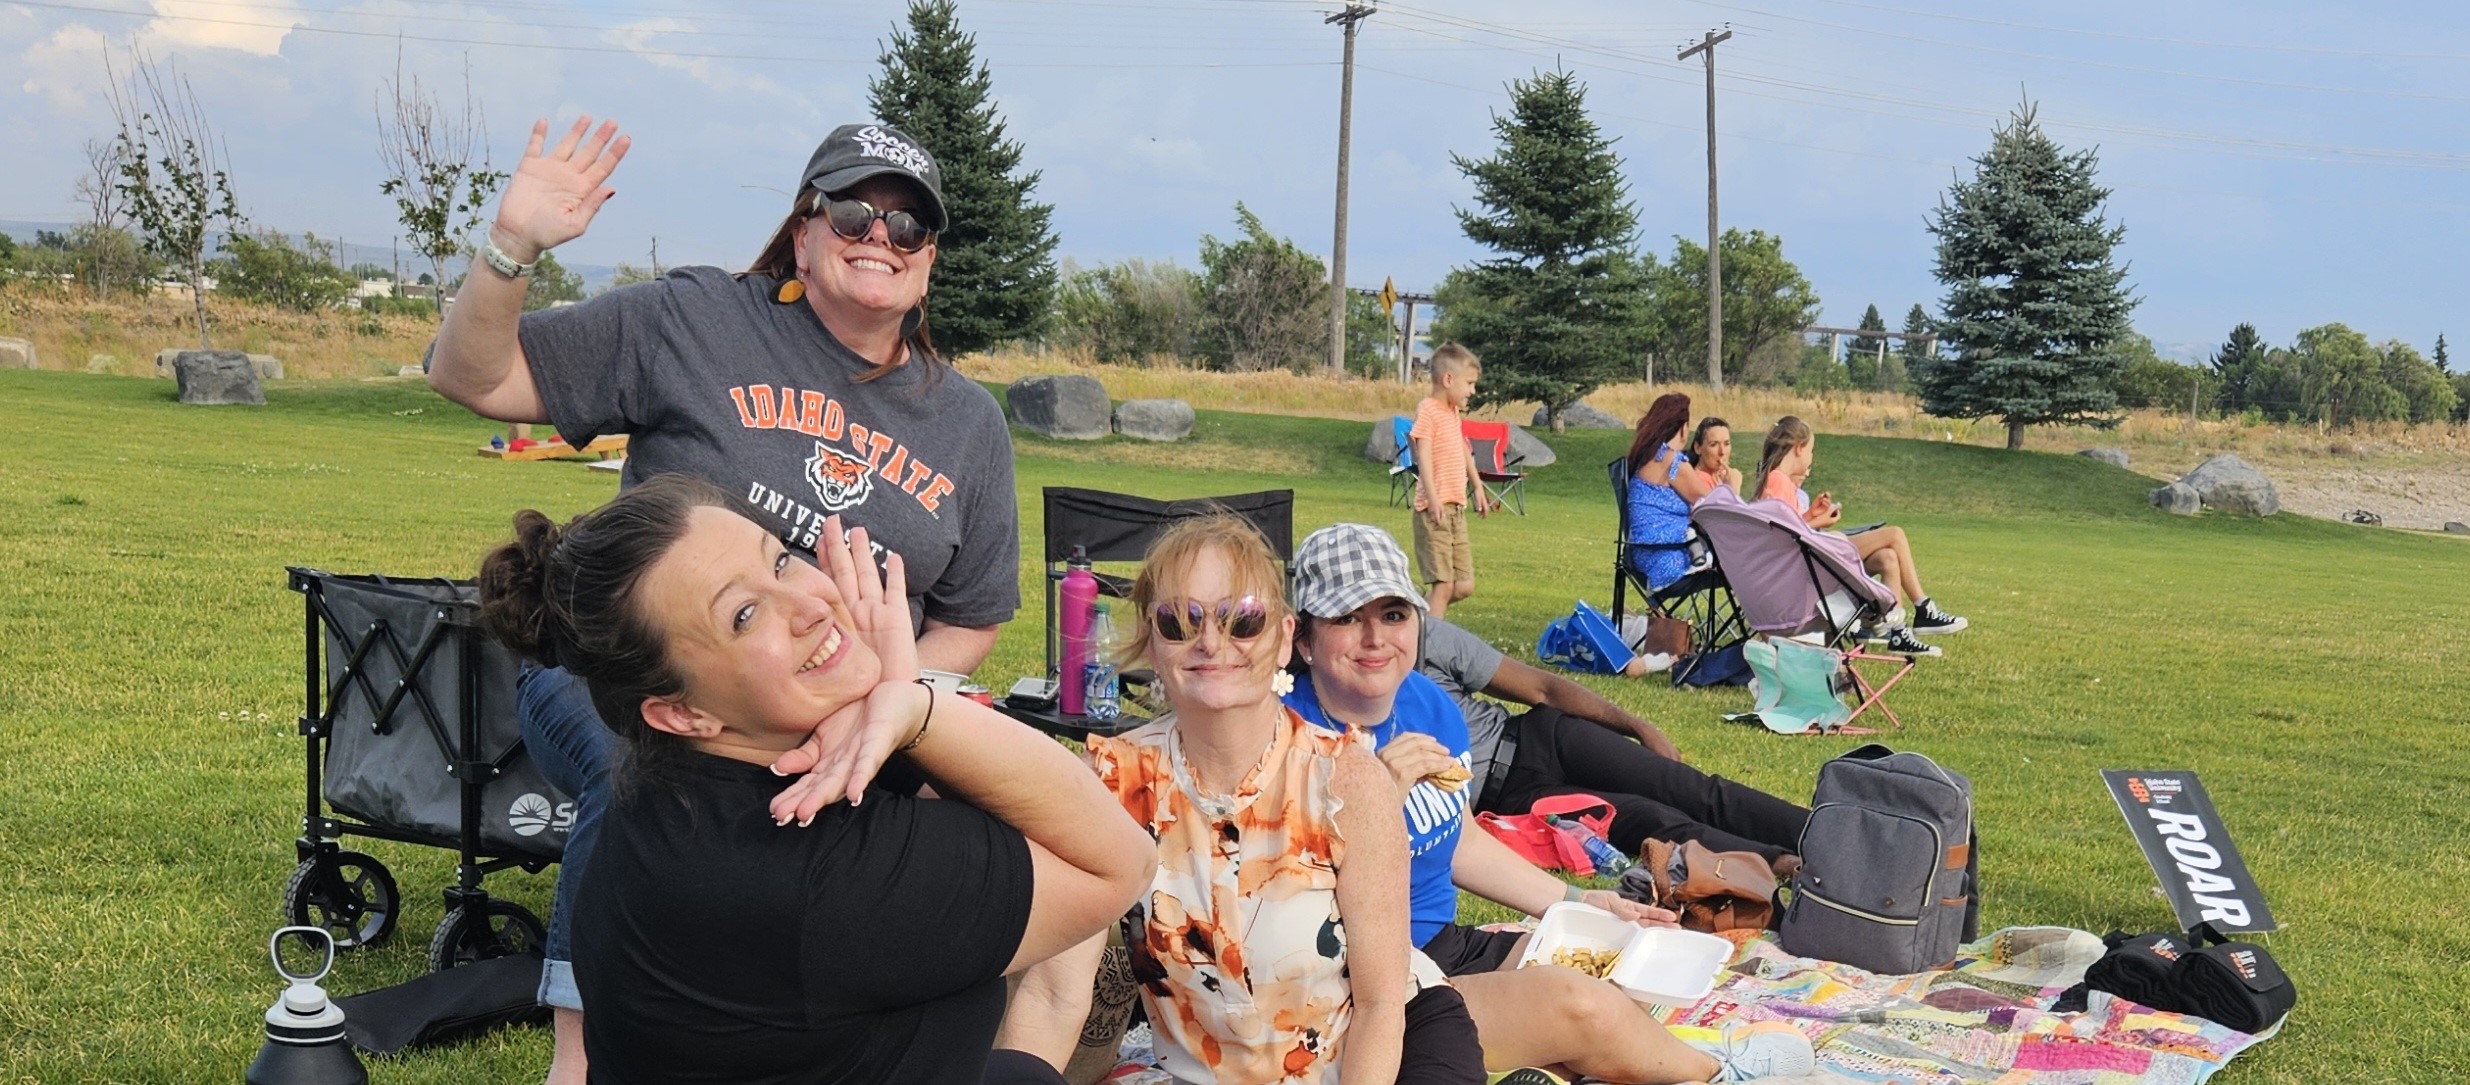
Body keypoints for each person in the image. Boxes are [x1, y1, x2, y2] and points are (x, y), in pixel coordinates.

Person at [424, 115, 1021, 1081]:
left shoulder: (968, 424)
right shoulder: (697, 321)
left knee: (990, 815)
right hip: (635, 680)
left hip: (838, 704)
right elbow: (473, 374)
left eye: (909, 227)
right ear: (804, 228)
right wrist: (514, 245)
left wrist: (881, 708)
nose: (882, 236)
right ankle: (583, 1065)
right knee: (648, 789)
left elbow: (975, 613)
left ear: (930, 258)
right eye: (856, 212)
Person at [473, 477, 1152, 1084]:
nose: (809, 604)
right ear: (682, 710)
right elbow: (1116, 863)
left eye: (779, 559)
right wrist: (915, 705)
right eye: (743, 614)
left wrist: (890, 698)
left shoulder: (668, 780)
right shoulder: (815, 870)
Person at [1282, 523, 1815, 1085]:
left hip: (1443, 945)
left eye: (1393, 614)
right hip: (1367, 985)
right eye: (1346, 618)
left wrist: (1578, 902)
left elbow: (1458, 838)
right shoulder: (1286, 746)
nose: (1375, 638)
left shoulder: (1425, 704)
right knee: (1577, 1006)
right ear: (1303, 640)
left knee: (1614, 970)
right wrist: (1376, 807)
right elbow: (1287, 912)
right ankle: (1721, 1072)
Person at [1085, 515, 1486, 1084]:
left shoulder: (1345, 778)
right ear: (1151, 643)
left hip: (1384, 1041)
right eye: (1178, 620)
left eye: (1242, 619)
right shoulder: (1110, 782)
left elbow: (1379, 1003)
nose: (1210, 642)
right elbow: (1054, 994)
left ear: (1281, 638)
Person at [1417, 613, 1809, 880]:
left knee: (1686, 787)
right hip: (1508, 799)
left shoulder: (1427, 637)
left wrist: (1637, 726)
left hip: (1539, 738)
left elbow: (1544, 688)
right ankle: (1779, 863)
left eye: (1392, 614)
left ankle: (1821, 831)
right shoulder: (1356, 725)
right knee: (1647, 818)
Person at [1753, 416, 1966, 655]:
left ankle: (1898, 633)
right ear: (1799, 448)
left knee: (1887, 557)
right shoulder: (1778, 481)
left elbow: (1787, 529)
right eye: (1811, 450)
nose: (1812, 457)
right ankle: (1924, 608)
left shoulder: (1776, 480)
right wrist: (1822, 521)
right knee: (1894, 534)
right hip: (1812, 569)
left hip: (1812, 563)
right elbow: (1788, 538)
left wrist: (1812, 515)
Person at [1408, 342, 1496, 619]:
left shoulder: (1452, 413)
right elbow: (1423, 455)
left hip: (1456, 509)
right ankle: (1430, 648)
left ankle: (1414, 614)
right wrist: (1433, 497)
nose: (1472, 390)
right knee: (1443, 585)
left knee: (1464, 586)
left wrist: (1478, 488)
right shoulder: (1429, 410)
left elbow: (1463, 450)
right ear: (1448, 379)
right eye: (1469, 383)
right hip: (1434, 508)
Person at [1622, 393, 1716, 592]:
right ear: (1683, 428)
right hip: (1670, 563)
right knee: (1742, 565)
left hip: (1644, 558)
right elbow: (1714, 507)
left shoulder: (1645, 457)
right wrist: (1731, 485)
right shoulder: (1672, 461)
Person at [1684, 416, 1743, 496]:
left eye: (1726, 444)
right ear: (1698, 448)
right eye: (1713, 445)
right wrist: (1733, 489)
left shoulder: (1723, 476)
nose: (1722, 451)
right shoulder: (1699, 481)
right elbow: (1726, 508)